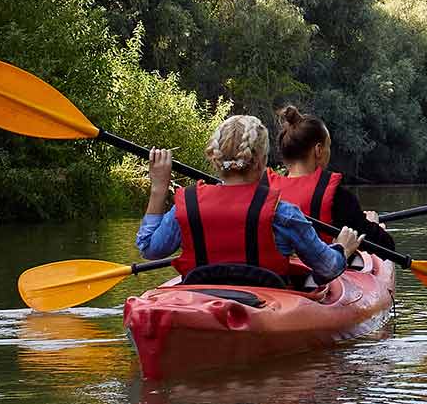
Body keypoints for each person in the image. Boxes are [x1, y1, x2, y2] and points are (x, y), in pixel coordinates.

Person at [136, 114, 363, 288]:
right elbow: (327, 268)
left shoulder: (187, 207)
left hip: (200, 301)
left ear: (214, 160)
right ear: (262, 162)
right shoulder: (283, 213)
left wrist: (159, 188)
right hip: (266, 309)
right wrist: (342, 248)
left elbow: (149, 249)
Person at [271, 106, 398, 253]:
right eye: (328, 145)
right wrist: (373, 225)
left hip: (277, 267)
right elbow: (387, 246)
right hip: (321, 265)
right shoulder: (338, 198)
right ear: (318, 150)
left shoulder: (267, 193)